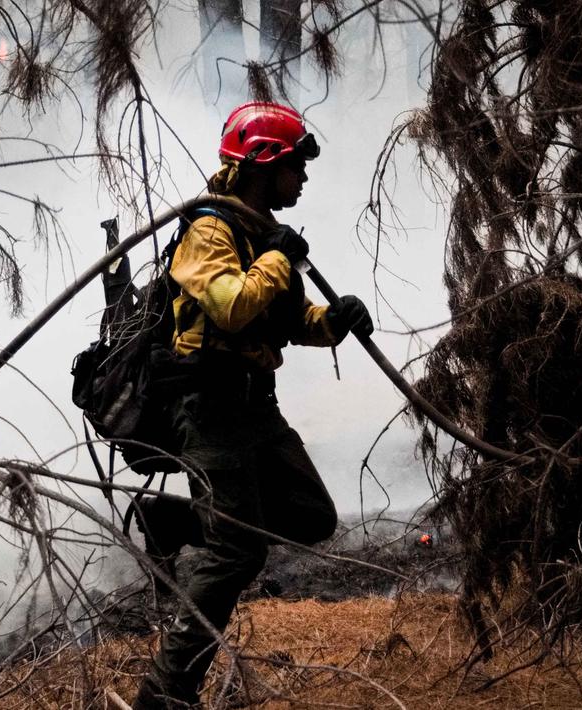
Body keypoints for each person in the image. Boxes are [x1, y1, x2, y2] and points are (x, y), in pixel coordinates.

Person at [132, 102, 375, 708]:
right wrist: (278, 256)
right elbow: (230, 305)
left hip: (255, 407)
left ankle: (178, 520)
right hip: (208, 406)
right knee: (237, 551)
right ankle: (164, 696)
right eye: (297, 165)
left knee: (313, 516)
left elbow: (285, 323)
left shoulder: (263, 231)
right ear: (265, 163)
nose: (305, 179)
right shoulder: (210, 229)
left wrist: (334, 320)